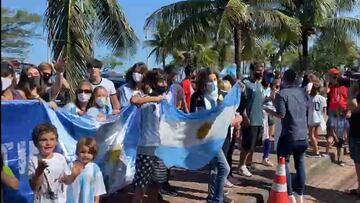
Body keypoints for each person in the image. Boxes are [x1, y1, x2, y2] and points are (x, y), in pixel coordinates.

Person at [190, 69, 234, 203]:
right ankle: (217, 199)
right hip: (206, 139)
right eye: (210, 80)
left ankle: (213, 196)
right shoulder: (198, 97)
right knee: (224, 168)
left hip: (219, 136)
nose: (213, 83)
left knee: (215, 168)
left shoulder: (219, 96)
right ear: (203, 82)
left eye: (215, 80)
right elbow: (199, 119)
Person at [266, 69, 308, 203]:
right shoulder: (302, 92)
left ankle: (289, 195)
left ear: (284, 79)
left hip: (289, 136)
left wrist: (268, 110)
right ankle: (300, 194)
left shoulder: (282, 94)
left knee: (284, 164)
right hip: (303, 135)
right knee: (300, 164)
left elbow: (281, 114)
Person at [131, 70, 169, 203]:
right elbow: (134, 100)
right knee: (141, 185)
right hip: (146, 146)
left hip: (161, 147)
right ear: (152, 82)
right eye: (161, 81)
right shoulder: (142, 95)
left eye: (165, 81)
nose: (164, 84)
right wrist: (155, 99)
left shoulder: (165, 99)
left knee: (156, 184)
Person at [28, 123, 83, 203]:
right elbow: (34, 187)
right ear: (36, 143)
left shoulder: (60, 158)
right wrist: (39, 171)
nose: (48, 143)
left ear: (56, 141)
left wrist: (74, 175)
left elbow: (67, 181)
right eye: (43, 140)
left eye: (52, 139)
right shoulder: (33, 160)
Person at [238, 62, 265, 177]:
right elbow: (241, 103)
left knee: (254, 145)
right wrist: (244, 116)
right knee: (247, 144)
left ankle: (248, 163)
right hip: (250, 120)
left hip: (259, 120)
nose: (261, 72)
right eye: (258, 70)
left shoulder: (259, 84)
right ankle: (241, 166)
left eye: (262, 70)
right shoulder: (245, 84)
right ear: (252, 71)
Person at [67, 137, 106, 203]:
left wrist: (96, 201)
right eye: (82, 152)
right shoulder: (71, 166)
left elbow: (98, 190)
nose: (85, 155)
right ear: (77, 152)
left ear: (94, 154)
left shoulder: (95, 169)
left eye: (89, 152)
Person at [307, 82, 327, 157]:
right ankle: (316, 147)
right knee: (316, 134)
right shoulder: (322, 98)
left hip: (312, 117)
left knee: (311, 135)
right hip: (319, 117)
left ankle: (316, 150)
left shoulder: (310, 97)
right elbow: (324, 110)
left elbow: (307, 106)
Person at [347, 82, 360, 198]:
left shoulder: (354, 93)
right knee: (357, 162)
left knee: (358, 163)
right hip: (355, 132)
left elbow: (353, 107)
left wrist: (351, 92)